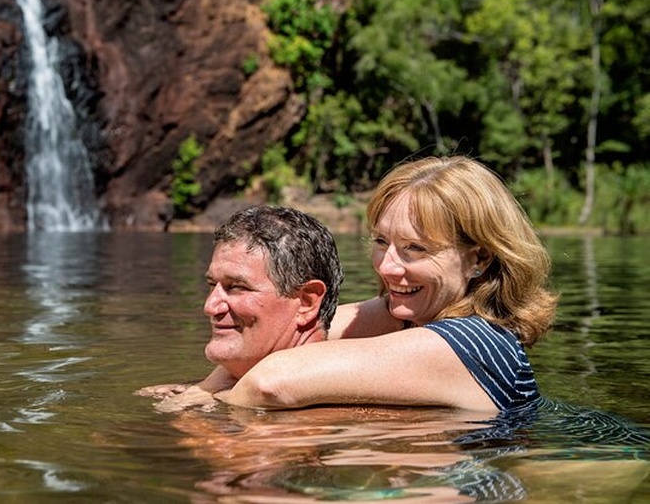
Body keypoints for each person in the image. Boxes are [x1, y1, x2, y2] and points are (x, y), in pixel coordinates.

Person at [216, 155, 559, 412]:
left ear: (479, 259)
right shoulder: (409, 315)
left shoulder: (479, 342)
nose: (388, 267)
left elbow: (272, 381)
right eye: (381, 242)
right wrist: (200, 389)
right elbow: (283, 333)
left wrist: (200, 411)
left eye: (415, 248)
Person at [137, 204, 344, 411]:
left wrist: (194, 422)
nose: (210, 307)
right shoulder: (215, 391)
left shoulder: (320, 416)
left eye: (236, 287)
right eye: (212, 285)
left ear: (306, 303)